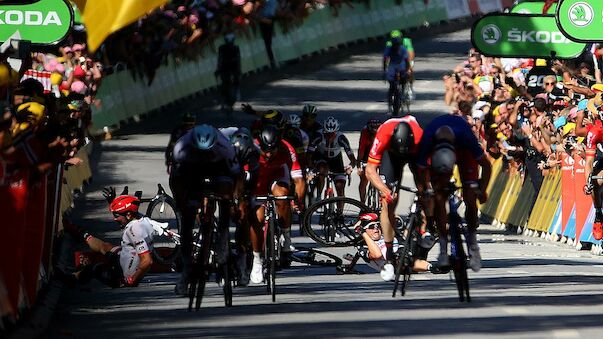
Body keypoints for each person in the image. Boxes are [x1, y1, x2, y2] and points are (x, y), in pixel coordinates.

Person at [169, 124, 241, 295]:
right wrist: (181, 202)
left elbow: (237, 177)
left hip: (220, 169)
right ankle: (186, 269)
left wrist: (234, 201)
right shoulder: (181, 147)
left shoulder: (225, 146)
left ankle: (223, 245)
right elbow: (176, 180)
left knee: (225, 196)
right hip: (191, 169)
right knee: (187, 216)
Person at [416, 114, 492, 272]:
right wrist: (428, 191)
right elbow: (421, 173)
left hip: (465, 152)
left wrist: (482, 190)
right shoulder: (428, 139)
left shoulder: (467, 137)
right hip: (439, 155)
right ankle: (443, 250)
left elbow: (486, 166)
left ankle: (473, 245)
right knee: (438, 197)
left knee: (470, 196)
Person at [365, 116, 423, 281]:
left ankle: (424, 230)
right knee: (388, 200)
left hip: (414, 152)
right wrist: (385, 190)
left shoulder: (420, 137)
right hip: (390, 156)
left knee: (425, 190)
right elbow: (370, 170)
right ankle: (389, 256)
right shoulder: (383, 133)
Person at [60, 195, 155, 288]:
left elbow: (147, 261)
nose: (114, 218)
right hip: (126, 258)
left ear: (129, 215)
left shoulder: (134, 230)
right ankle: (82, 233)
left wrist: (132, 280)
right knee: (106, 247)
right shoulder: (144, 220)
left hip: (122, 276)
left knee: (94, 268)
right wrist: (113, 202)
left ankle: (71, 279)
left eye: (116, 215)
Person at [249, 125, 303, 284]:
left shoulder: (287, 149)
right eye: (264, 150)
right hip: (257, 180)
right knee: (257, 219)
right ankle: (257, 260)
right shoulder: (251, 149)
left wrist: (298, 201)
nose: (267, 154)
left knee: (282, 197)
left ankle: (286, 237)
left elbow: (299, 179)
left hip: (277, 176)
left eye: (271, 151)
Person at [355, 213, 441, 274]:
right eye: (371, 227)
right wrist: (363, 233)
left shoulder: (384, 236)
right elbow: (377, 255)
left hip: (406, 248)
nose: (376, 229)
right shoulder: (363, 246)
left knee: (419, 217)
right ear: (364, 231)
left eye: (377, 226)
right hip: (399, 263)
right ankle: (432, 267)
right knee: (405, 260)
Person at [307, 116, 356, 201]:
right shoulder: (318, 136)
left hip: (336, 160)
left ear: (336, 132)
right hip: (322, 158)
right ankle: (319, 195)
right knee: (322, 169)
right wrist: (310, 169)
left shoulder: (341, 138)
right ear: (323, 132)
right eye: (327, 134)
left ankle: (340, 212)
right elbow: (309, 154)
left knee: (340, 187)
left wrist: (351, 167)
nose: (329, 137)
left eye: (332, 134)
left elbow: (352, 157)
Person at [383, 31, 410, 114]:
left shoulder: (390, 48)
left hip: (394, 69)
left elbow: (385, 59)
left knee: (392, 87)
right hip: (400, 69)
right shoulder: (403, 48)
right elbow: (407, 60)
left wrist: (384, 70)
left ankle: (390, 104)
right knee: (399, 84)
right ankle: (400, 97)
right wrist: (408, 69)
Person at [357, 117, 382, 203]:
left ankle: (384, 203)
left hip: (380, 152)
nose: (373, 135)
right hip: (367, 154)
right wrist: (359, 165)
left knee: (385, 179)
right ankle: (362, 203)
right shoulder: (365, 132)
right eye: (372, 134)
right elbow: (361, 151)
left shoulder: (383, 132)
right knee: (364, 179)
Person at [215, 33, 242, 112]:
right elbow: (219, 59)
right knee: (224, 82)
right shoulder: (222, 48)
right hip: (225, 68)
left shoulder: (235, 48)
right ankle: (224, 98)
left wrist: (239, 69)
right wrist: (218, 69)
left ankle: (236, 91)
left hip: (233, 67)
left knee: (236, 80)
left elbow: (238, 59)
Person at [386, 30, 415, 99]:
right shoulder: (389, 44)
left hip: (405, 58)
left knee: (410, 70)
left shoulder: (406, 41)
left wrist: (410, 65)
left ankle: (410, 87)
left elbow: (410, 53)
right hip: (395, 60)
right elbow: (387, 56)